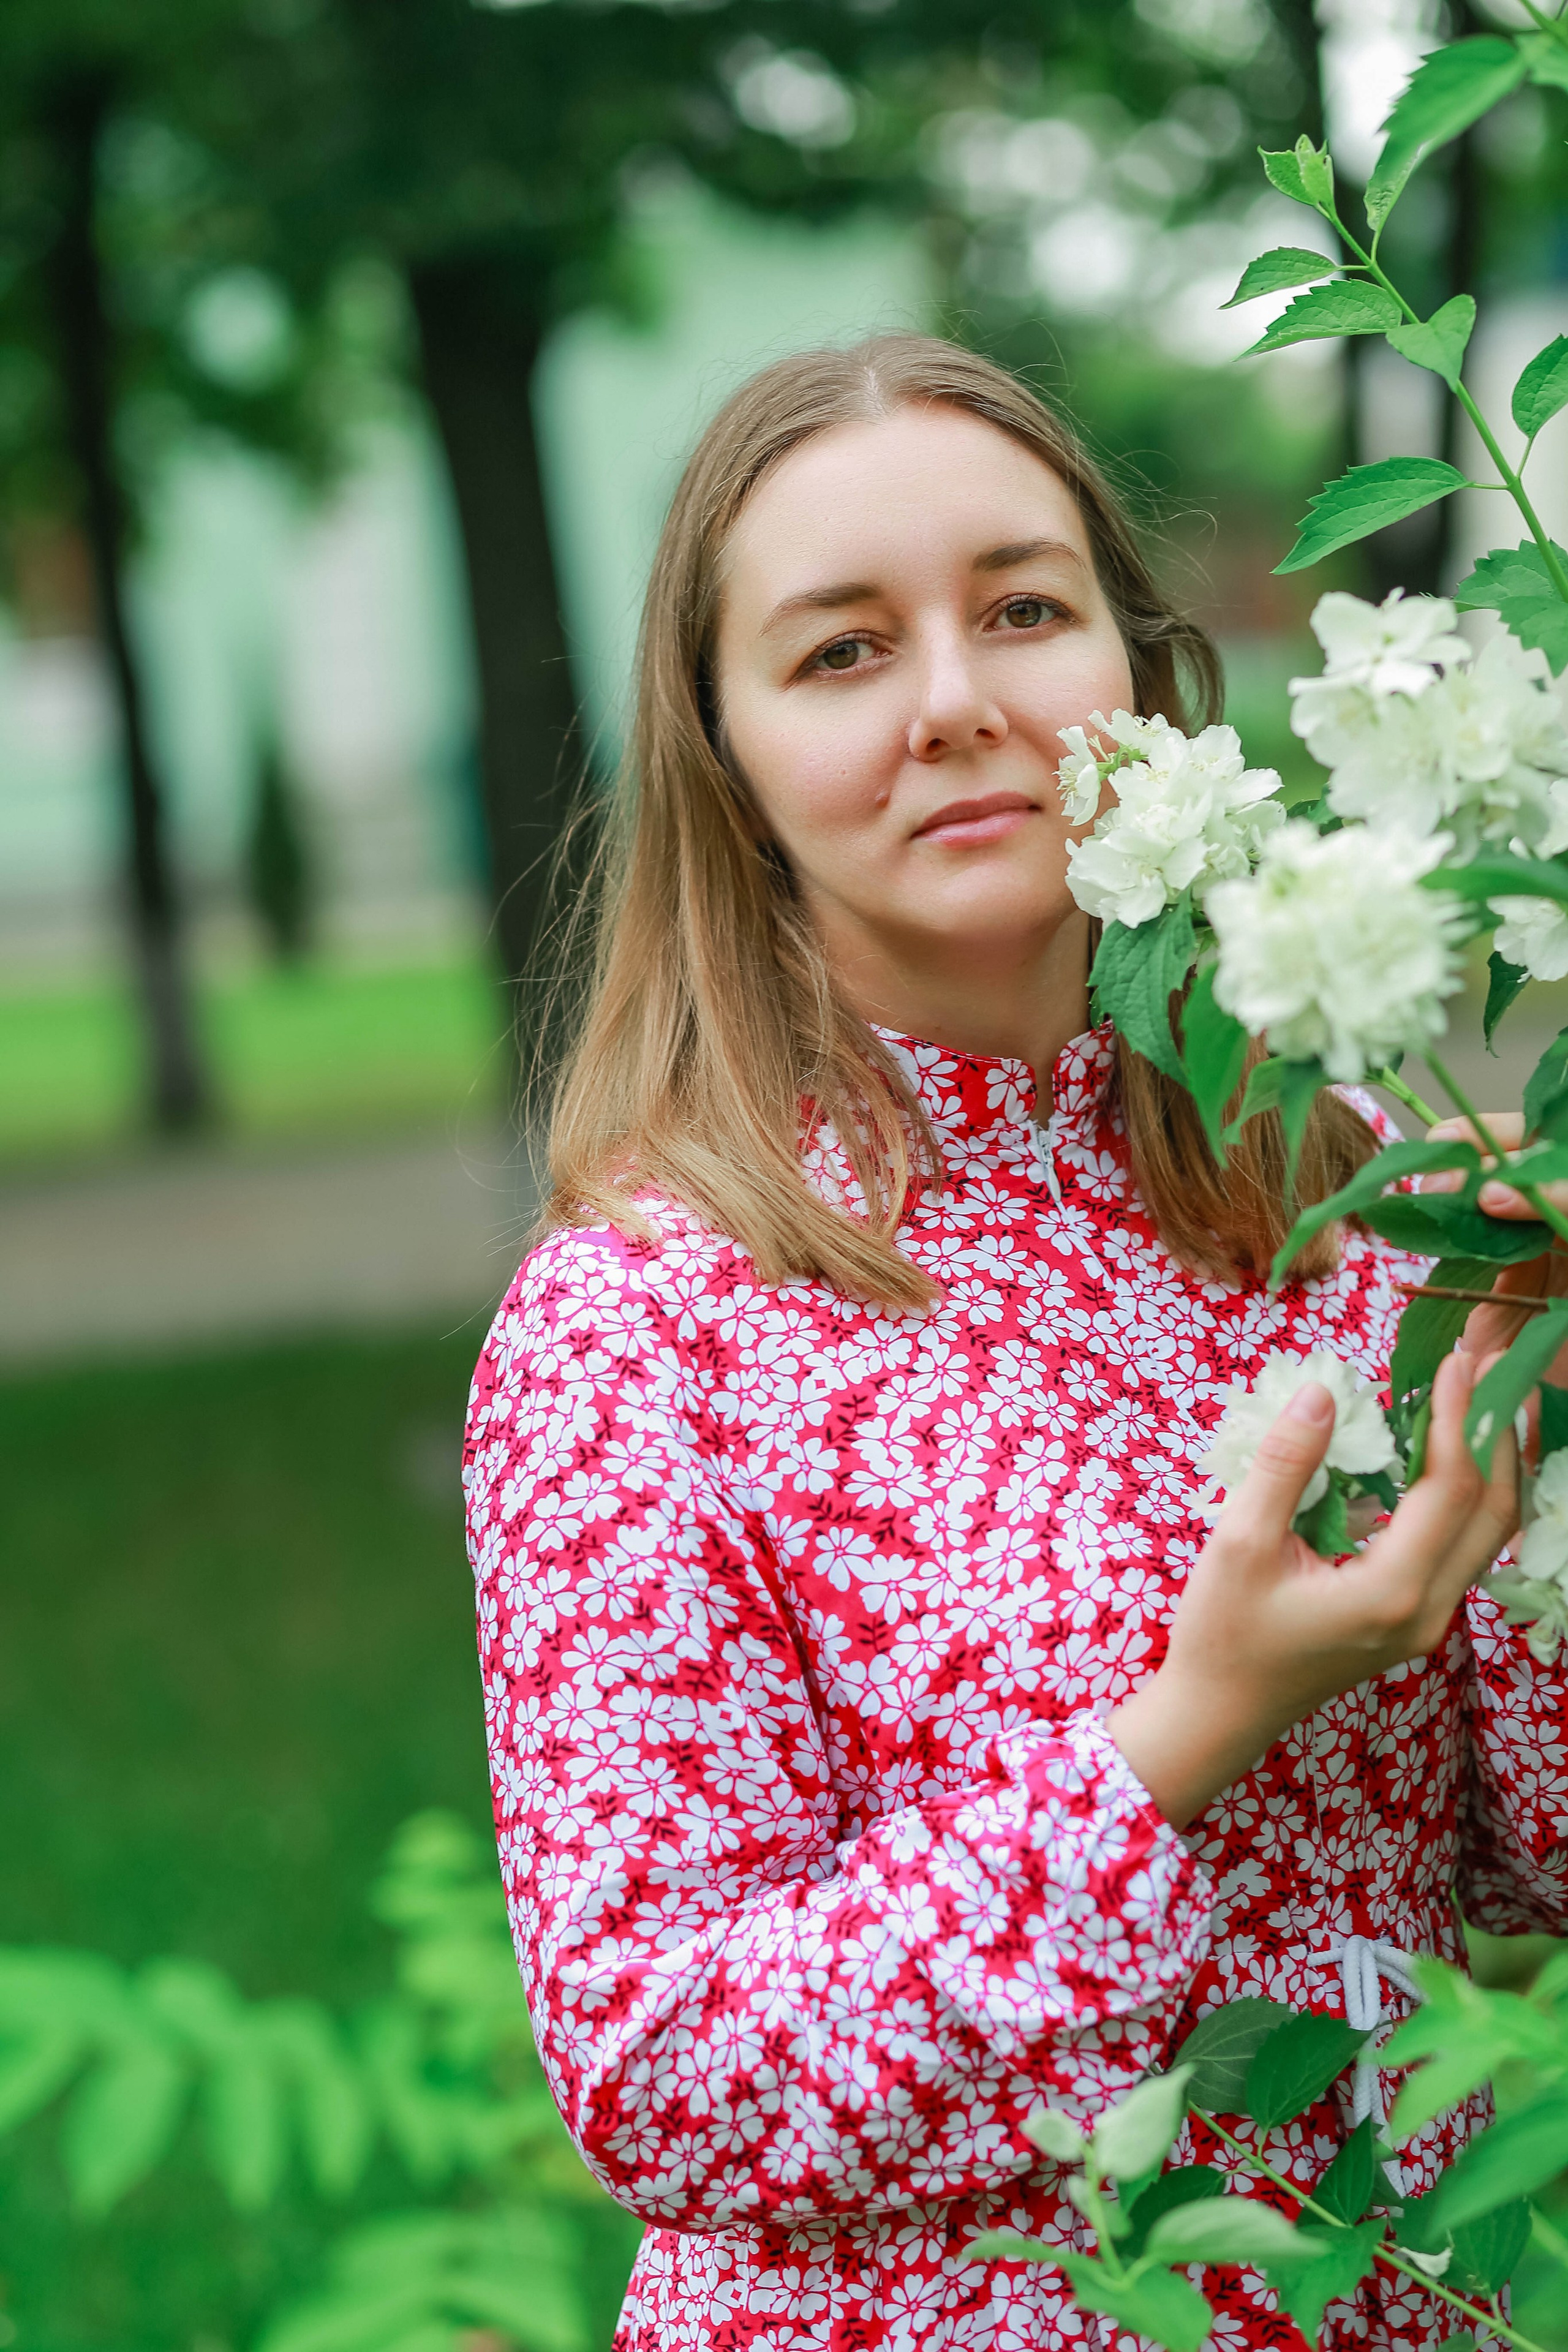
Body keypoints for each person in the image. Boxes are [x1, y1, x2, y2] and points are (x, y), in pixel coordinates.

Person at [462, 336, 1550, 2352]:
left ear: (1138, 675)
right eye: (844, 652)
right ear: (727, 755)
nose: (959, 706)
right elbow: (664, 2073)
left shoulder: (1338, 1182)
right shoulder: (642, 1323)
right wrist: (1171, 1749)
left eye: (1024, 611)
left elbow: (1530, 1849)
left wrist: (1547, 1396)